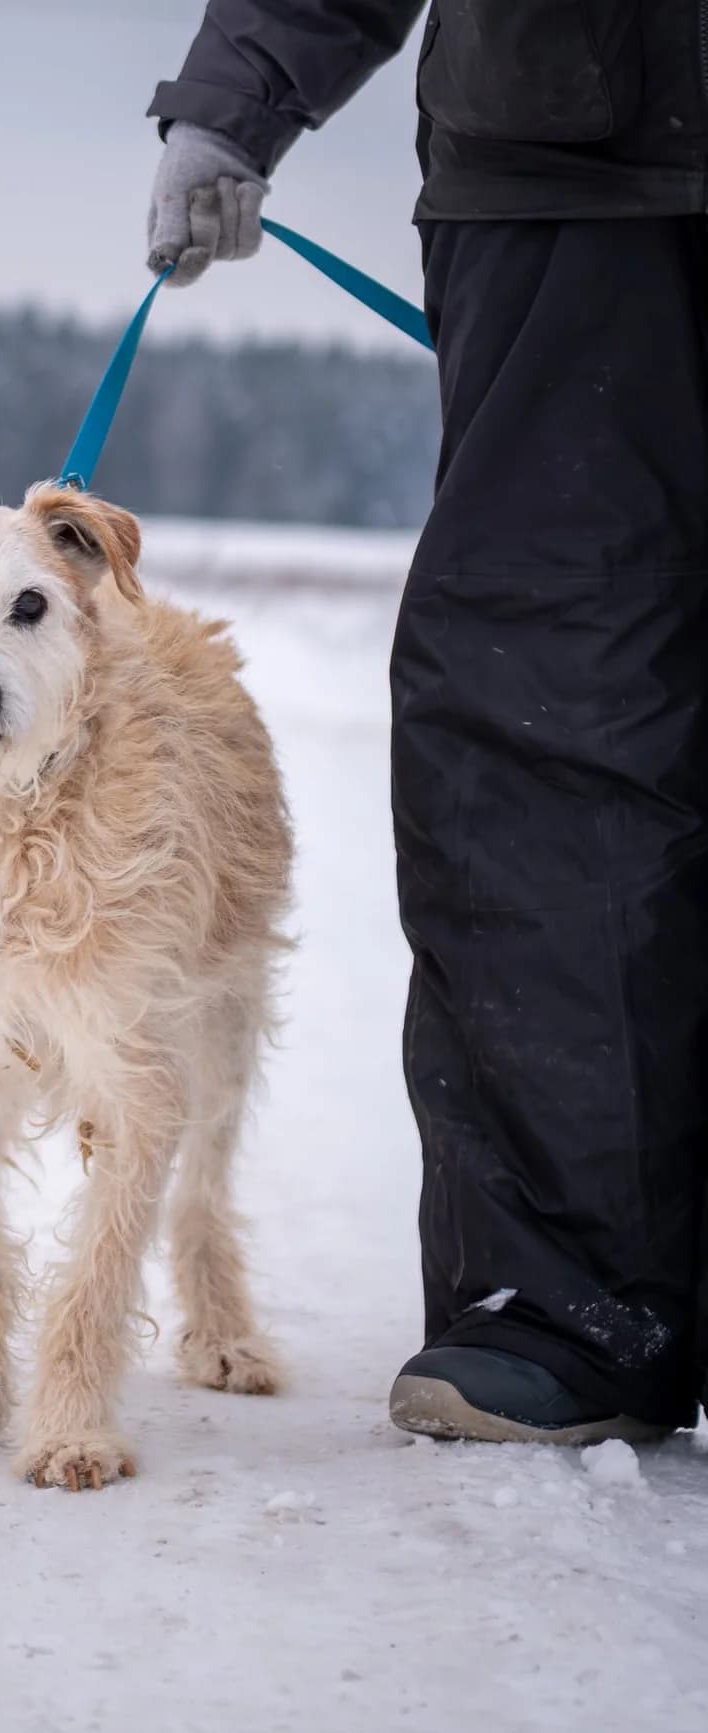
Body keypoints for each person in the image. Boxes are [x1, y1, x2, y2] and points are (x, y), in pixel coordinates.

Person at [146, 1, 708, 1447]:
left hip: (558, 156)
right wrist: (238, 98)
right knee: (545, 710)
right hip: (564, 167)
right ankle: (564, 1304)